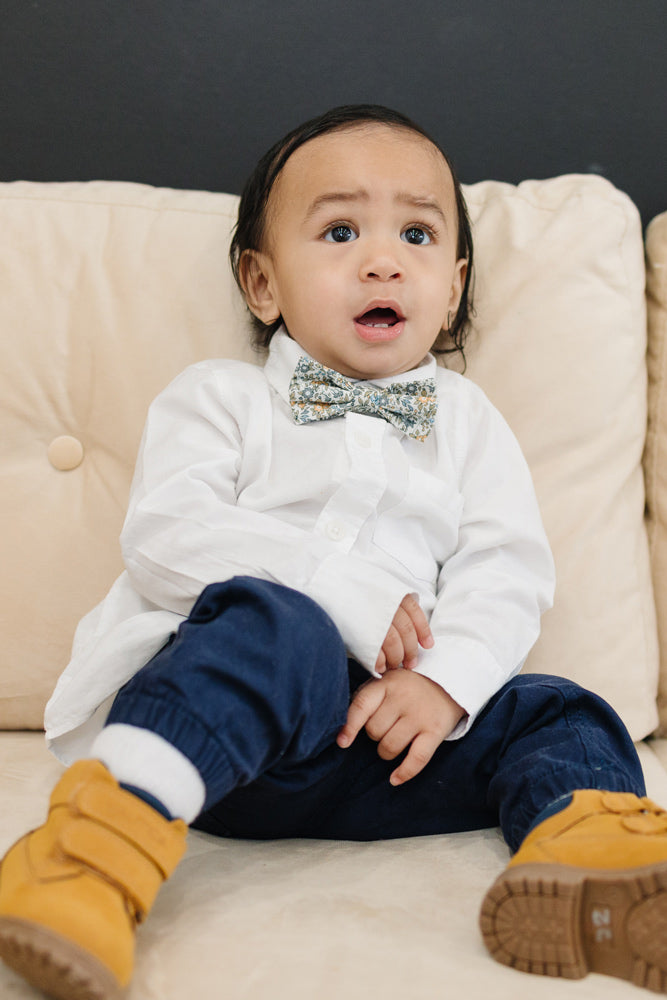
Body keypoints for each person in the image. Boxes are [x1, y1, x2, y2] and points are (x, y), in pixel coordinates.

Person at [0, 104, 665, 1000]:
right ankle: (88, 860)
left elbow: (504, 568)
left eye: (417, 233)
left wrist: (442, 683)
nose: (382, 259)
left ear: (454, 285)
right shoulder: (220, 401)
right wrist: (333, 590)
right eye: (341, 230)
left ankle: (592, 867)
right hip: (220, 732)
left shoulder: (467, 425)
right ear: (262, 284)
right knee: (282, 622)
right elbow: (165, 533)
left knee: (562, 709)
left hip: (388, 751)